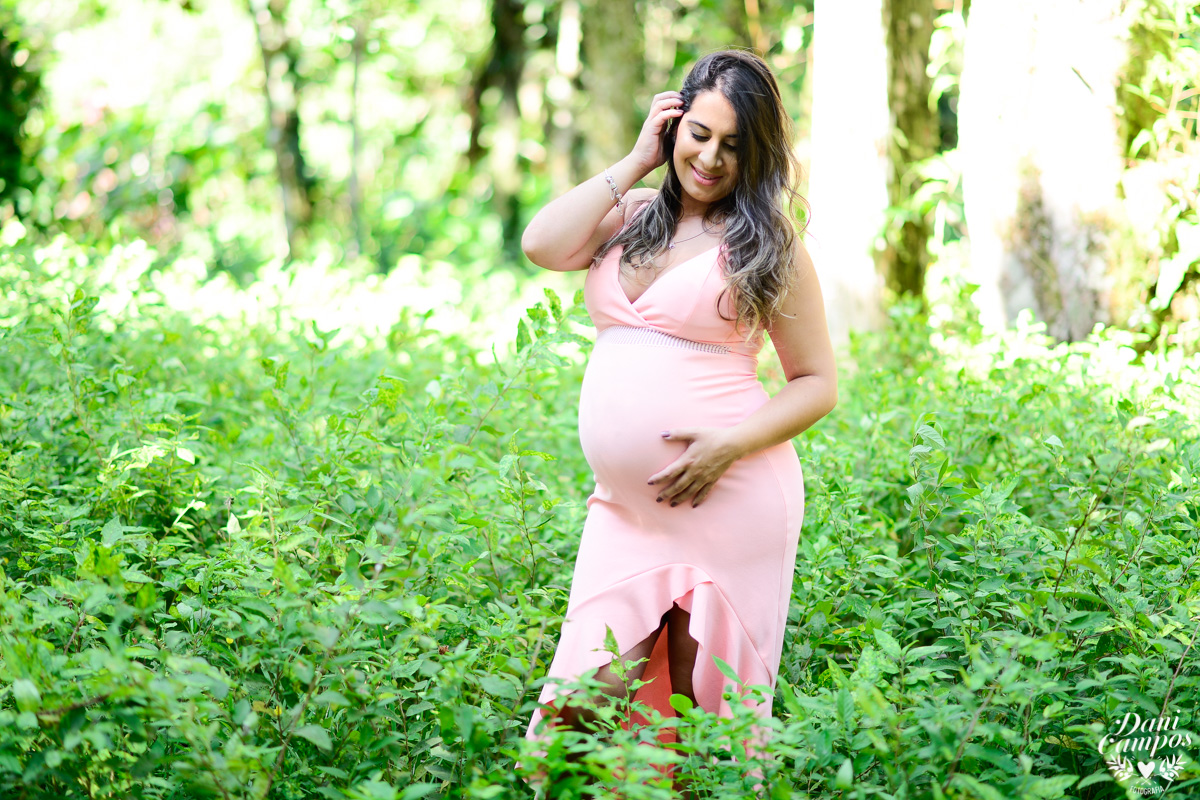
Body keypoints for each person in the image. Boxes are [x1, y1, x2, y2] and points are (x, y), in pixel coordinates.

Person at [521, 49, 837, 784]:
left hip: (728, 503)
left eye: (733, 145)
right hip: (625, 516)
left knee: (706, 727)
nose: (711, 158)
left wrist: (729, 445)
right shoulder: (629, 217)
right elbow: (540, 243)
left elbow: (817, 382)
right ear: (673, 125)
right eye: (698, 134)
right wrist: (635, 160)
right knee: (586, 707)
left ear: (757, 154)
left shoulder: (769, 244)